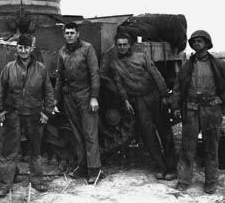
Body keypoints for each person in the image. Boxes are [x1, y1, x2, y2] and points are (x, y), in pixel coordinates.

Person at [110, 32, 177, 180]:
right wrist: (126, 100)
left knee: (164, 130)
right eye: (119, 45)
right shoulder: (115, 64)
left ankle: (172, 167)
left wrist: (165, 95)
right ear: (116, 46)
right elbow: (119, 84)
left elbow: (156, 74)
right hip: (137, 101)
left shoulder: (141, 57)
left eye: (124, 44)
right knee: (148, 135)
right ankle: (160, 166)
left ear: (130, 45)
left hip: (154, 96)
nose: (122, 47)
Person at [0, 34, 55, 197]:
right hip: (13, 114)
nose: (23, 50)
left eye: (26, 48)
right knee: (8, 151)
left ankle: (36, 180)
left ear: (31, 49)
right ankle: (4, 184)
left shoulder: (41, 69)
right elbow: (0, 91)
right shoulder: (9, 68)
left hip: (34, 115)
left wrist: (46, 112)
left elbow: (49, 92)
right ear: (17, 48)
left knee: (35, 150)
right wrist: (0, 111)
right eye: (20, 47)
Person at [172, 30, 225, 194]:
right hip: (191, 110)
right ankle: (184, 179)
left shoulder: (218, 65)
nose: (196, 44)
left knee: (211, 147)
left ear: (207, 44)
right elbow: (178, 88)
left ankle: (210, 181)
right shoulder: (187, 66)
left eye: (200, 41)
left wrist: (221, 99)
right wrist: (175, 106)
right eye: (194, 42)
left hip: (211, 110)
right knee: (187, 147)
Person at [55, 22, 102, 184]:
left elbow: (94, 73)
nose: (69, 35)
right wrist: (56, 99)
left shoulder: (87, 49)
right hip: (69, 96)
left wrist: (94, 96)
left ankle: (94, 169)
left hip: (85, 94)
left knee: (89, 133)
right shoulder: (62, 52)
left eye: (72, 33)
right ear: (64, 35)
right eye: (67, 33)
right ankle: (82, 165)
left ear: (78, 33)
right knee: (77, 133)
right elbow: (60, 78)